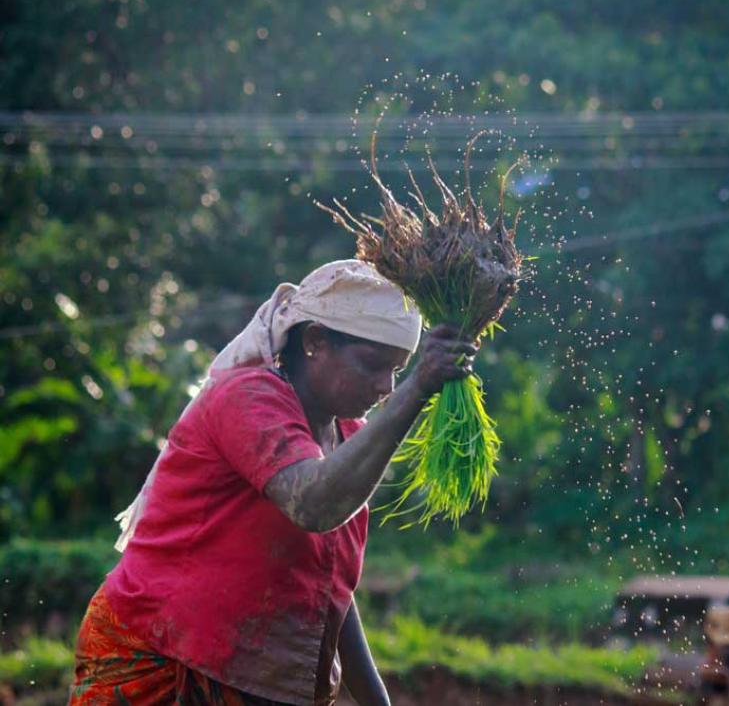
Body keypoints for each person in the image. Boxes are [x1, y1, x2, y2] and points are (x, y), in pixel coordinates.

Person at [69, 259, 478, 706]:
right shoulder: (247, 399)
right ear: (315, 342)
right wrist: (416, 388)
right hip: (162, 659)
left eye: (398, 370)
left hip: (253, 678)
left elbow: (329, 590)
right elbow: (313, 505)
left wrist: (377, 701)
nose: (385, 386)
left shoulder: (349, 437)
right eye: (373, 365)